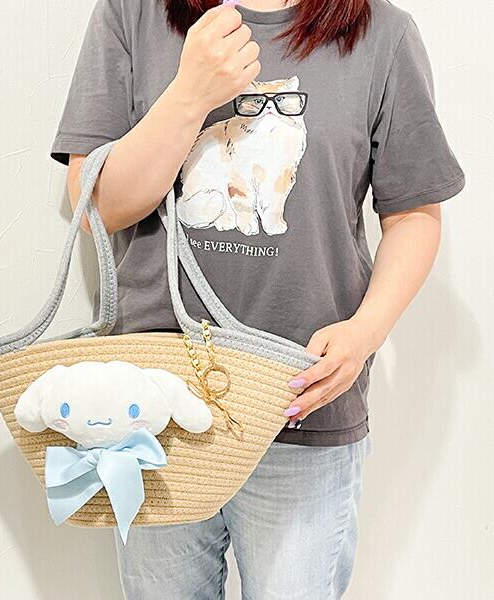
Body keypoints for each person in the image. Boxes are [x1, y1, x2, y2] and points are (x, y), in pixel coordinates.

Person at [49, 0, 465, 597]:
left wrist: (365, 333)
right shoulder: (133, 13)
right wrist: (190, 94)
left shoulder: (382, 34)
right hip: (156, 413)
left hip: (302, 401)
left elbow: (414, 214)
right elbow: (94, 208)